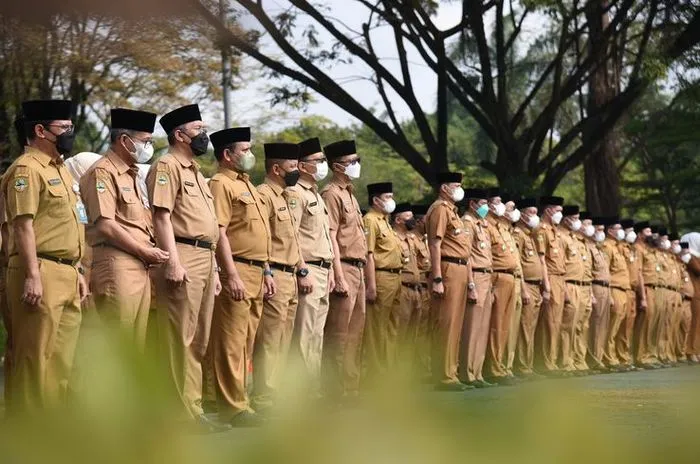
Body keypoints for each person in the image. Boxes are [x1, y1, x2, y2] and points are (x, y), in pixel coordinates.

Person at [2, 99, 89, 412]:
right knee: (35, 355)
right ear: (40, 130)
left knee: (61, 357)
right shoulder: (26, 169)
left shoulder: (62, 170)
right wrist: (32, 275)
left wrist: (78, 271)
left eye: (70, 127)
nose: (69, 132)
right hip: (40, 269)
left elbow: (71, 223)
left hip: (67, 272)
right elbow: (22, 226)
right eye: (63, 127)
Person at [146, 104, 226, 432]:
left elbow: (210, 226)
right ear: (179, 135)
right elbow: (161, 216)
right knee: (180, 336)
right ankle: (178, 413)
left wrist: (218, 269)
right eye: (198, 129)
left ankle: (192, 408)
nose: (204, 135)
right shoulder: (167, 165)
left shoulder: (195, 170)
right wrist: (172, 261)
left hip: (205, 258)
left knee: (199, 339)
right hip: (183, 253)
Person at [80, 109, 168, 348]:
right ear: (124, 140)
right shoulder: (103, 172)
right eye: (145, 141)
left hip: (139, 265)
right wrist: (143, 250)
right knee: (120, 344)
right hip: (116, 264)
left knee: (135, 347)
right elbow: (105, 225)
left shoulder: (131, 175)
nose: (149, 147)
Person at [207, 127, 270, 426]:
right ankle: (233, 406)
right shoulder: (221, 184)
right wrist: (230, 273)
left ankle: (242, 399)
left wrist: (267, 270)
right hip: (239, 268)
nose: (250, 155)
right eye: (244, 150)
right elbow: (220, 231)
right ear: (227, 155)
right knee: (231, 341)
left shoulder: (248, 185)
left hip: (258, 270)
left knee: (246, 342)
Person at [252, 142, 304, 409]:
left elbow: (291, 238)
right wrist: (267, 271)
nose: (297, 171)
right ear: (276, 168)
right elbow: (261, 238)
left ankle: (278, 391)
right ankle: (264, 395)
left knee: (284, 339)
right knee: (270, 340)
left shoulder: (286, 195)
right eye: (292, 167)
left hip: (291, 275)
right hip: (275, 274)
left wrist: (301, 268)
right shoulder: (264, 194)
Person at [320, 140, 367, 401]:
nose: (356, 166)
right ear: (337, 166)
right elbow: (332, 236)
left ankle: (350, 388)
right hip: (344, 267)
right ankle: (334, 390)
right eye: (351, 162)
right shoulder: (331, 193)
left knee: (355, 333)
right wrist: (338, 275)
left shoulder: (350, 193)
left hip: (358, 268)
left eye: (356, 160)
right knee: (338, 333)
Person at [290, 137, 334, 396]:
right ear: (302, 165)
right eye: (318, 161)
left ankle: (313, 389)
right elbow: (292, 234)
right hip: (309, 269)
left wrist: (329, 270)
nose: (322, 165)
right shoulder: (296, 193)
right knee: (304, 335)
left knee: (316, 336)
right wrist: (302, 269)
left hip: (323, 269)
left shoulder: (315, 193)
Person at [425, 173, 472, 391]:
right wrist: (437, 278)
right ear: (444, 188)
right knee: (447, 322)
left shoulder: (453, 211)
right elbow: (435, 244)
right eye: (457, 186)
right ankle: (443, 375)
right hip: (448, 268)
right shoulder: (440, 209)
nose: (460, 189)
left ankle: (451, 372)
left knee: (456, 324)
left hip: (461, 268)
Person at [363, 182, 403, 383]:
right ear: (376, 200)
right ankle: (376, 375)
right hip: (381, 276)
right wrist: (371, 285)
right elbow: (369, 254)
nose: (391, 200)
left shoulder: (385, 221)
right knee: (376, 329)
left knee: (392, 327)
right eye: (387, 197)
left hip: (396, 278)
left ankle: (388, 372)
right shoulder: (370, 220)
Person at [483, 189, 519, 386]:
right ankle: (493, 368)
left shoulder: (502, 226)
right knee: (495, 325)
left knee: (505, 326)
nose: (503, 206)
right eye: (498, 202)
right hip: (497, 276)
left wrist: (507, 212)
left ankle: (501, 366)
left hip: (510, 277)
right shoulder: (485, 223)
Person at [459, 188, 492, 388]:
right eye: (482, 204)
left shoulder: (482, 225)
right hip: (477, 275)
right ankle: (467, 372)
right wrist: (470, 282)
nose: (486, 208)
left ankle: (477, 372)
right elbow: (467, 255)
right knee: (471, 327)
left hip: (487, 276)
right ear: (472, 204)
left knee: (482, 327)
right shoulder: (467, 223)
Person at [390, 203, 424, 371]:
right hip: (402, 288)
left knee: (413, 333)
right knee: (399, 331)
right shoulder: (393, 238)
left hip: (416, 290)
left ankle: (408, 371)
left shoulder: (411, 239)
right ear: (398, 220)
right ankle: (396, 371)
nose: (413, 221)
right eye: (408, 217)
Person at [534, 196, 566, 376]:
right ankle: (546, 363)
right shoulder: (541, 230)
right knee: (549, 322)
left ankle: (552, 361)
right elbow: (542, 260)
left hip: (561, 279)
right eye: (557, 211)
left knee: (557, 322)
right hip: (551, 278)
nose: (560, 214)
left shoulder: (556, 231)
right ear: (547, 210)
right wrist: (546, 285)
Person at [512, 198, 544, 379]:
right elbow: (518, 264)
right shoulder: (518, 234)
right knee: (524, 328)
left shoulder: (530, 235)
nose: (535, 216)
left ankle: (528, 365)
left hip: (536, 286)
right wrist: (523, 289)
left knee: (530, 328)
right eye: (531, 213)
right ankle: (522, 367)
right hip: (527, 285)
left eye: (535, 212)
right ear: (522, 215)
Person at [601, 218, 631, 371]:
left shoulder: (619, 247)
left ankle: (618, 357)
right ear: (610, 230)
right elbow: (605, 270)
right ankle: (609, 358)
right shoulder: (607, 246)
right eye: (617, 228)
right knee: (611, 327)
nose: (621, 231)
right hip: (615, 289)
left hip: (623, 289)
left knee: (618, 327)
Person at [559, 205, 586, 374]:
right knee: (566, 326)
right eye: (574, 219)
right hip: (567, 283)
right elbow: (559, 265)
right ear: (566, 218)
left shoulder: (573, 238)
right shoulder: (561, 237)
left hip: (579, 285)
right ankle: (564, 362)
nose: (578, 223)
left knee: (576, 326)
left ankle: (572, 360)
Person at [617, 219, 644, 369]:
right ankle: (620, 358)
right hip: (623, 289)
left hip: (632, 291)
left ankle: (626, 357)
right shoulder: (620, 248)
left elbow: (638, 273)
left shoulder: (632, 249)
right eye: (629, 230)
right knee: (621, 325)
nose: (632, 234)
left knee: (628, 327)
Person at [635, 223, 662, 368]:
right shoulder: (638, 249)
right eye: (648, 231)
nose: (651, 234)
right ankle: (641, 357)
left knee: (652, 324)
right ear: (640, 234)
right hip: (646, 288)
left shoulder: (649, 249)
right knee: (644, 324)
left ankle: (650, 355)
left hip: (655, 288)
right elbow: (639, 273)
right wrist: (643, 296)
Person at [587, 217, 612, 372]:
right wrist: (591, 293)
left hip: (606, 288)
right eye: (598, 230)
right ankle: (594, 359)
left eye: (603, 230)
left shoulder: (600, 249)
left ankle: (599, 357)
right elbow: (587, 273)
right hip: (595, 287)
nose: (601, 233)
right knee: (595, 325)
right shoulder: (588, 248)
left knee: (603, 325)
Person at [572, 212, 595, 373]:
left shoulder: (584, 243)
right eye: (585, 223)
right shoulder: (569, 239)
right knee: (572, 326)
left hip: (586, 286)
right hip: (572, 285)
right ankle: (569, 361)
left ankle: (580, 361)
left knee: (583, 326)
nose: (589, 228)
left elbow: (588, 271)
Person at [680, 232, 700, 363]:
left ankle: (696, 350)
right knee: (693, 323)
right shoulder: (688, 257)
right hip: (693, 294)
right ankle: (690, 350)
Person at [677, 242, 693, 363]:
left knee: (685, 328)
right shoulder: (677, 265)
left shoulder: (684, 266)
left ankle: (681, 352)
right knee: (677, 327)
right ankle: (677, 352)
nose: (687, 255)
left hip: (688, 300)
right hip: (680, 300)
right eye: (685, 252)